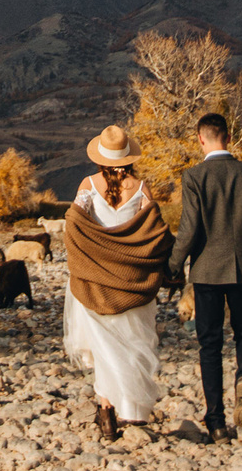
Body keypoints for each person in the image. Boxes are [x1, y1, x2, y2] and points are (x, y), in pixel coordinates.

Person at [168, 111, 242, 442]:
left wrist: (172, 266)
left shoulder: (194, 177)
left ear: (201, 139)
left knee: (210, 344)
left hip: (207, 271)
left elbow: (188, 231)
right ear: (228, 137)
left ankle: (216, 421)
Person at [61, 124, 173, 441]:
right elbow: (157, 232)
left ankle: (106, 410)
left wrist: (93, 253)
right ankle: (131, 409)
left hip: (96, 283)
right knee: (133, 345)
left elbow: (74, 221)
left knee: (103, 346)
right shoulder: (141, 188)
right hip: (132, 282)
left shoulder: (88, 185)